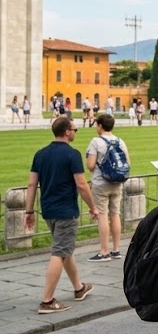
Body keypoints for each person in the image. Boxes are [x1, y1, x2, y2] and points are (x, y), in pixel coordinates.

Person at [25, 117, 99, 313]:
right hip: (66, 211)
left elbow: (32, 184)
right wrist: (93, 207)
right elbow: (82, 184)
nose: (75, 132)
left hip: (48, 210)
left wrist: (29, 210)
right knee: (59, 252)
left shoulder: (40, 154)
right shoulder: (72, 154)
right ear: (67, 132)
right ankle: (47, 301)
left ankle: (79, 288)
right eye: (74, 129)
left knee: (65, 249)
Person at [85, 113, 130, 261]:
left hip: (101, 182)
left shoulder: (96, 142)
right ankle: (116, 250)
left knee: (102, 215)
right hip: (117, 182)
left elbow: (91, 166)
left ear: (99, 126)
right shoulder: (120, 141)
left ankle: (104, 251)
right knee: (115, 214)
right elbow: (127, 163)